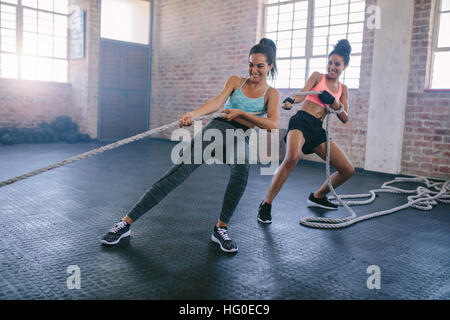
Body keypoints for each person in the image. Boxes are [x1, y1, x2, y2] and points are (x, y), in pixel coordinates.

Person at [102, 38, 280, 253]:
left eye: (260, 65)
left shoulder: (272, 94)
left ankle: (221, 229)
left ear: (270, 66)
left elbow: (272, 124)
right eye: (251, 64)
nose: (254, 70)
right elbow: (216, 102)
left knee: (242, 168)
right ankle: (126, 223)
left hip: (239, 136)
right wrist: (193, 115)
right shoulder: (236, 81)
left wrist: (242, 113)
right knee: (178, 172)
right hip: (217, 128)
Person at [257, 39, 355, 224]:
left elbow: (345, 117)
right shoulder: (318, 77)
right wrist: (290, 100)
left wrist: (333, 102)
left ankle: (318, 196)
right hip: (302, 121)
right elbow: (301, 94)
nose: (332, 67)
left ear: (345, 66)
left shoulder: (343, 90)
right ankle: (266, 204)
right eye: (330, 62)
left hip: (317, 129)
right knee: (293, 158)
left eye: (337, 64)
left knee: (348, 169)